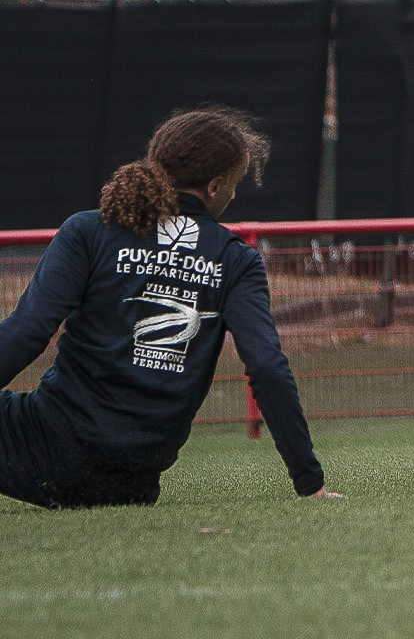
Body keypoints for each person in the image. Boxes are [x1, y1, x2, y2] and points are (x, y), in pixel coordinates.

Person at [0, 106, 336, 508]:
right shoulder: (235, 259)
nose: (233, 195)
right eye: (235, 184)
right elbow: (267, 367)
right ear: (214, 186)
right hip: (131, 483)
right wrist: (310, 483)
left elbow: (26, 331)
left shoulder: (87, 230)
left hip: (43, 449)